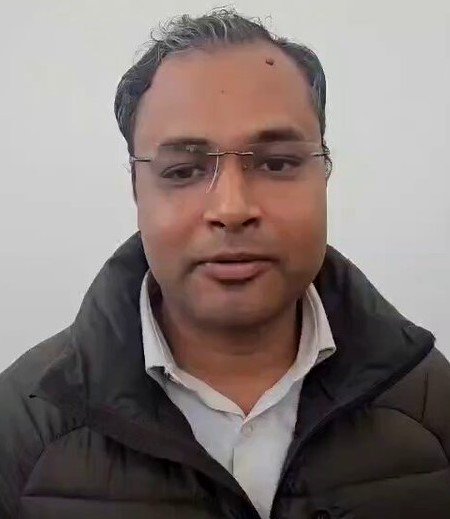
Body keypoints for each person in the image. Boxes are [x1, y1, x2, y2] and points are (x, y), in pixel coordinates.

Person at [1, 8, 449, 519]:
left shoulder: (429, 402)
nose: (232, 209)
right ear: (136, 189)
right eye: (184, 170)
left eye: (276, 164)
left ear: (324, 174)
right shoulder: (25, 425)